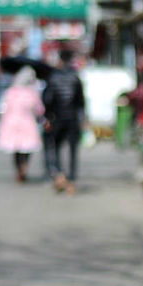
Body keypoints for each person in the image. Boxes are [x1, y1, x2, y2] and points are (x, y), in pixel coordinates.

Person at [43, 49, 86, 195]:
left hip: (57, 118)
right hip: (73, 118)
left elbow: (47, 99)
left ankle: (59, 175)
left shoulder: (53, 77)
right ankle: (71, 181)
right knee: (73, 151)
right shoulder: (75, 77)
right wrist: (83, 119)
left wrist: (48, 117)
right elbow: (81, 101)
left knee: (55, 148)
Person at [0, 66, 45, 183]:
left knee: (15, 149)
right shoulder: (31, 93)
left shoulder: (10, 92)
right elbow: (39, 109)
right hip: (27, 122)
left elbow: (3, 108)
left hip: (11, 123)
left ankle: (18, 168)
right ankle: (24, 166)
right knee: (27, 148)